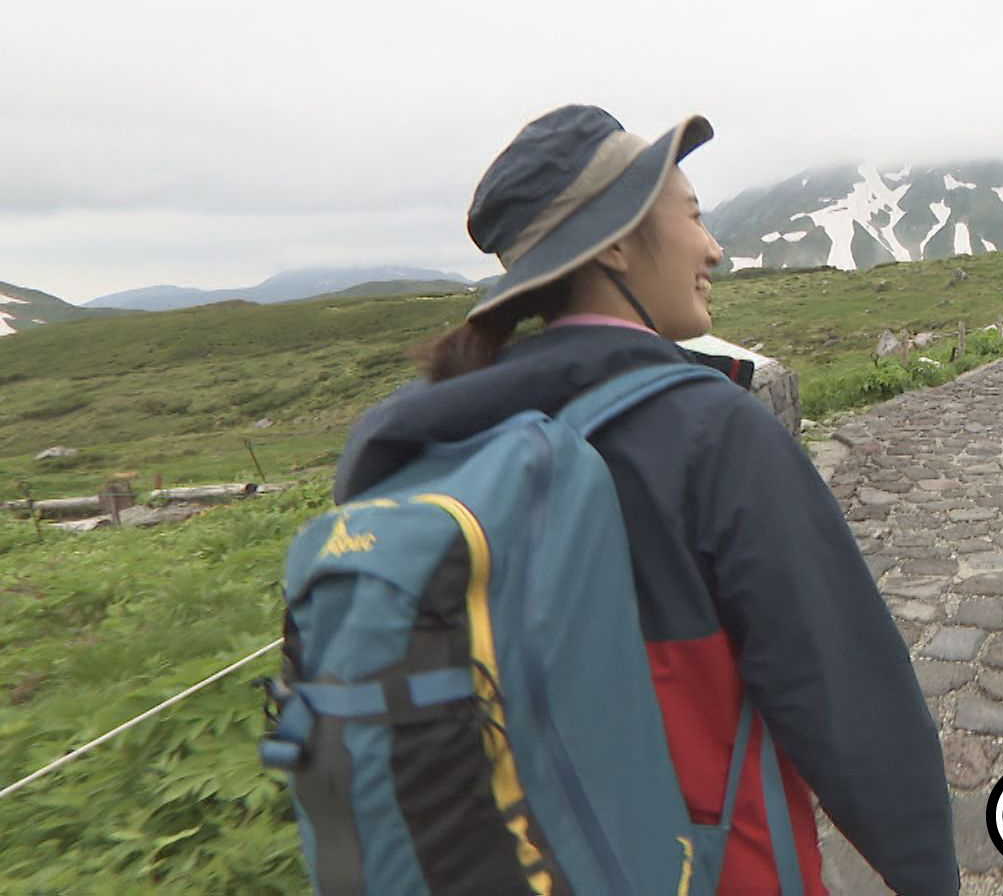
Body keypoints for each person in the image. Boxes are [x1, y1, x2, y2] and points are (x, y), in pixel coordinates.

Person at [334, 105, 959, 895]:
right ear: (618, 243)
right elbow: (848, 700)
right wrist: (928, 872)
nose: (713, 248)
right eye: (693, 216)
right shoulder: (711, 433)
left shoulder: (419, 439)